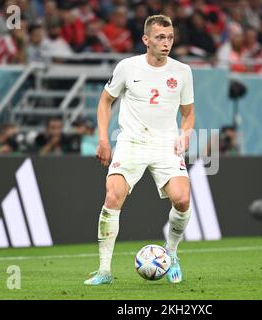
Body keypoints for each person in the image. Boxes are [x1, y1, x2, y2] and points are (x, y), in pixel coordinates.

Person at [85, 15, 195, 286]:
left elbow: (189, 113)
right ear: (146, 40)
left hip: (165, 144)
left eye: (169, 37)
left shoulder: (182, 72)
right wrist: (103, 139)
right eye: (160, 37)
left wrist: (186, 134)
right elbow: (104, 102)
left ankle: (171, 253)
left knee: (182, 200)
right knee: (112, 196)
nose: (166, 42)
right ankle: (104, 270)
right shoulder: (127, 67)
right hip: (131, 142)